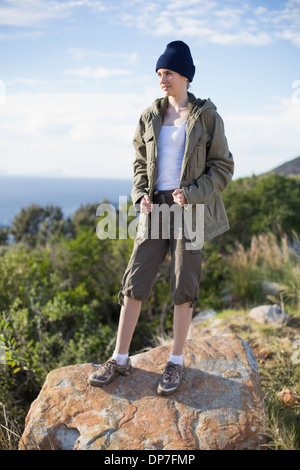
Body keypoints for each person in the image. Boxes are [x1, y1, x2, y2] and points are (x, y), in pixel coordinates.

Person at [88, 40, 234, 395]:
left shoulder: (207, 116)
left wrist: (193, 192)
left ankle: (175, 362)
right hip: (155, 207)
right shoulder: (149, 115)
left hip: (191, 211)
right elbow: (139, 162)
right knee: (135, 280)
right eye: (158, 73)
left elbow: (223, 168)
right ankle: (120, 359)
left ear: (184, 75)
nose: (161, 79)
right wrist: (140, 194)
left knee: (184, 287)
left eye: (167, 72)